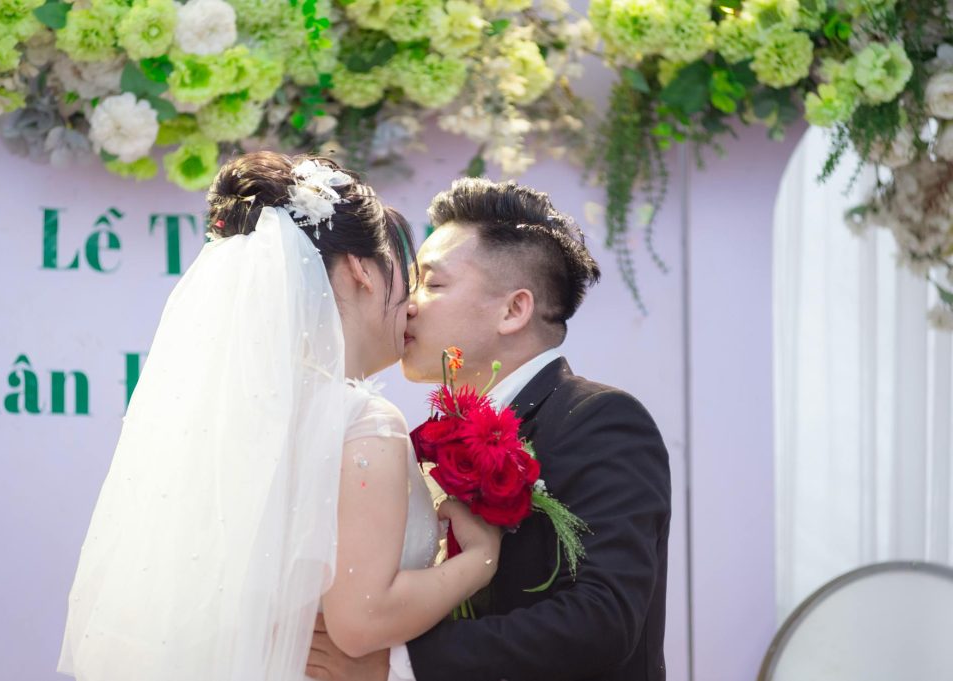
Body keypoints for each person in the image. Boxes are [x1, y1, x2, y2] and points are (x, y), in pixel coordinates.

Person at [56, 152, 500, 681]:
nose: (411, 305)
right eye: (406, 276)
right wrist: (479, 560)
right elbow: (361, 620)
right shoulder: (362, 421)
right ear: (362, 270)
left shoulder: (232, 419)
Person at [306, 178, 672, 681]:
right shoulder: (426, 435)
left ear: (513, 309)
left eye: (433, 284)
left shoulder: (599, 419)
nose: (408, 304)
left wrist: (398, 663)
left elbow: (603, 619)